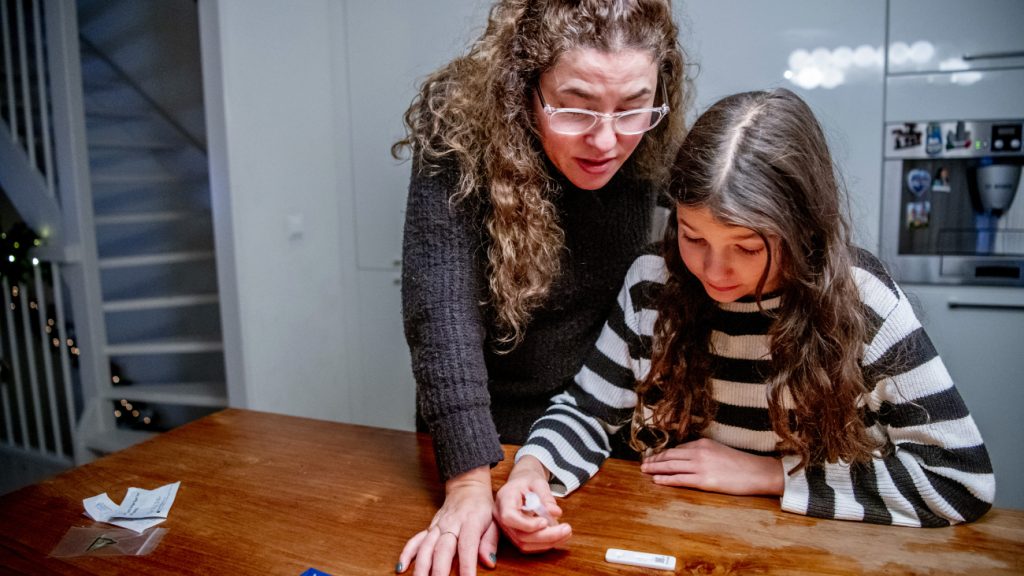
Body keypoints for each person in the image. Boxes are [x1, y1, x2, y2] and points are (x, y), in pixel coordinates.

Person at [494, 88, 996, 553]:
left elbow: (959, 479)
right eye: (692, 237)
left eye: (747, 247)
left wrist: (771, 475)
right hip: (683, 543)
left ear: (801, 230)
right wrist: (532, 470)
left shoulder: (861, 300)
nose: (714, 271)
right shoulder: (654, 281)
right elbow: (587, 413)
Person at [392, 1, 689, 574]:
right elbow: (441, 311)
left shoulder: (650, 134)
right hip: (487, 428)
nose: (606, 141)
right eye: (575, 110)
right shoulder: (458, 124)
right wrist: (469, 482)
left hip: (600, 422)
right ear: (522, 88)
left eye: (632, 108)